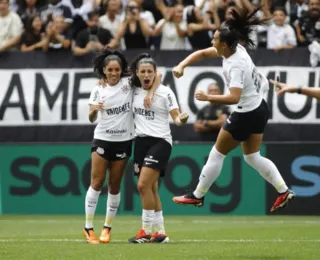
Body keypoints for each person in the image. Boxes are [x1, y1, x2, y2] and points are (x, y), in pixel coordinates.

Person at [171, 7, 295, 213]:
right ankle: (283, 190)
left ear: (225, 44)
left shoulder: (235, 65)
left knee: (217, 153)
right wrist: (182, 65)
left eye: (215, 39)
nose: (212, 42)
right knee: (252, 157)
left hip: (245, 113)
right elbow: (202, 53)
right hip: (259, 108)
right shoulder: (235, 49)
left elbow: (234, 97)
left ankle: (197, 195)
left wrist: (208, 97)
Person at [83, 49, 158, 245]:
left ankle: (107, 228)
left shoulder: (129, 83)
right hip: (101, 139)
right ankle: (88, 227)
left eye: (117, 69)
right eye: (110, 70)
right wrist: (93, 110)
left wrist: (150, 92)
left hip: (124, 141)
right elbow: (91, 118)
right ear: (104, 70)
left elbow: (155, 75)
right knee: (97, 183)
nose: (114, 73)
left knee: (114, 186)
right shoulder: (98, 89)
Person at [128, 53, 189, 243]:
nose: (146, 75)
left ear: (155, 73)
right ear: (137, 73)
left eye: (150, 72)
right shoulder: (133, 91)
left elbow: (176, 118)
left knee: (142, 185)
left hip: (160, 142)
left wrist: (181, 120)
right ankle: (160, 233)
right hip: (140, 142)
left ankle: (145, 231)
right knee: (152, 189)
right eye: (143, 71)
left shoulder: (165, 92)